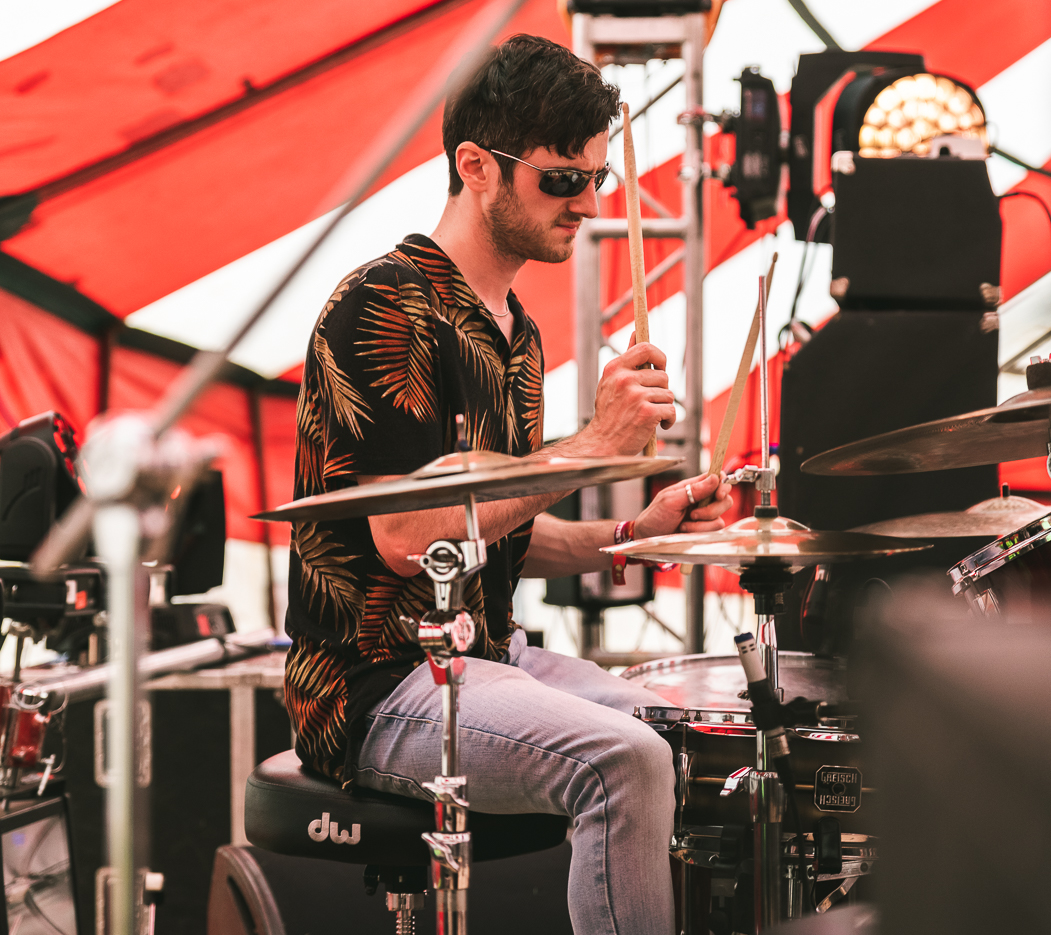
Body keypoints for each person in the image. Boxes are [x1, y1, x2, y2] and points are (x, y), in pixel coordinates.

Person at [284, 34, 732, 934]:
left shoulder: (516, 333)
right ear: (476, 166)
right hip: (375, 685)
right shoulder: (385, 304)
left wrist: (631, 536)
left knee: (692, 735)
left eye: (597, 177)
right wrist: (590, 448)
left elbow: (491, 534)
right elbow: (410, 539)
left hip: (484, 655)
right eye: (562, 178)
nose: (587, 203)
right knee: (626, 760)